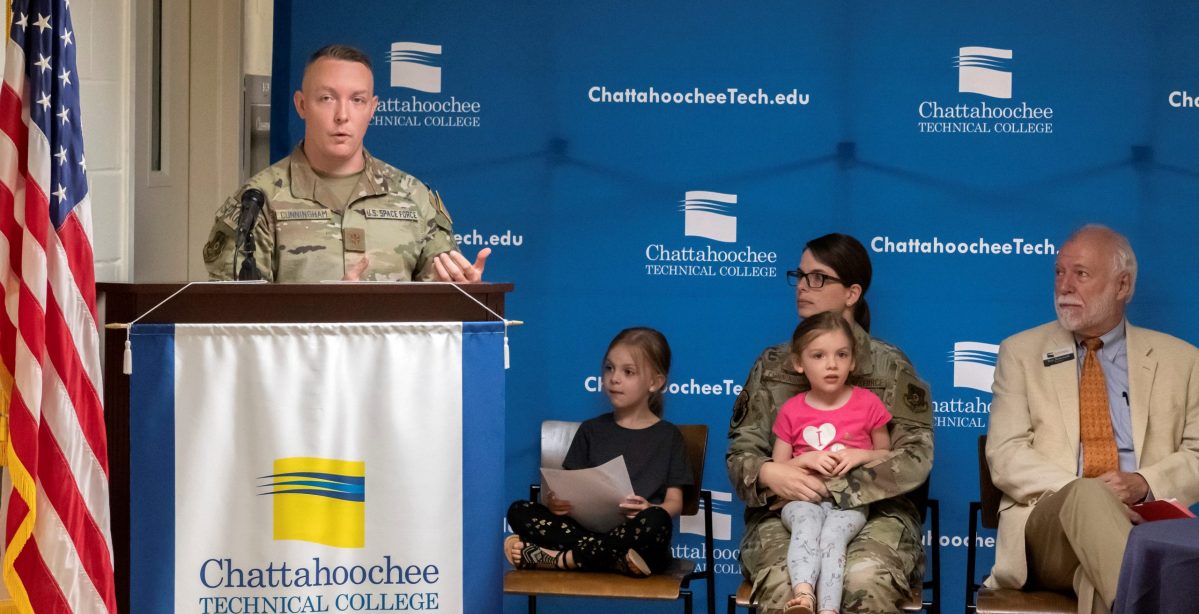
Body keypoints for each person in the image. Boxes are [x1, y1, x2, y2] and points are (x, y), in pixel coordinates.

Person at [985, 224, 1199, 614]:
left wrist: (1143, 483)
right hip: (1050, 529)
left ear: (1123, 286)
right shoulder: (1020, 352)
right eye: (1059, 272)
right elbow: (1005, 453)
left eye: (1080, 274)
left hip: (1146, 528)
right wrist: (1091, 494)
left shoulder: (1182, 361)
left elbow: (1198, 454)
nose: (1064, 285)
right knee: (1087, 495)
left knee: (1099, 582)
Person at [727, 233, 933, 614]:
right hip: (785, 510)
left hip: (877, 512)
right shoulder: (773, 366)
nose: (803, 286)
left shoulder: (890, 366)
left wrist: (833, 484)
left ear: (852, 294)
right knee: (787, 584)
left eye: (818, 278)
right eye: (800, 276)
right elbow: (740, 452)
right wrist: (772, 475)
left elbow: (915, 455)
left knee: (863, 578)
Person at [202, 44, 489, 282]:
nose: (342, 115)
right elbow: (236, 319)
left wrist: (459, 288)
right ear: (302, 105)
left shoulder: (414, 197)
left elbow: (441, 300)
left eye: (357, 100)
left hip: (393, 352)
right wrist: (326, 312)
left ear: (372, 108)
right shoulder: (257, 202)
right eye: (327, 98)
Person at [504, 327, 693, 576]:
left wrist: (649, 508)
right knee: (519, 510)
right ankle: (611, 559)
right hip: (588, 532)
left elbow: (674, 503)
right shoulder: (591, 430)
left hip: (637, 537)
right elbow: (566, 487)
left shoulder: (669, 436)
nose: (614, 378)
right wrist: (554, 502)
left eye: (628, 372)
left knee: (656, 522)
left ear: (655, 382)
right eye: (609, 368)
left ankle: (563, 559)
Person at [771, 312, 892, 614]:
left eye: (842, 355)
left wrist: (860, 455)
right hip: (803, 499)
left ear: (853, 361)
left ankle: (828, 610)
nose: (832, 364)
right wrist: (807, 459)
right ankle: (803, 596)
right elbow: (778, 468)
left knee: (832, 536)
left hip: (849, 503)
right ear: (799, 363)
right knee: (807, 526)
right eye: (819, 355)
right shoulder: (791, 410)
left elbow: (888, 456)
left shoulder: (868, 404)